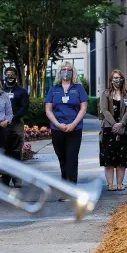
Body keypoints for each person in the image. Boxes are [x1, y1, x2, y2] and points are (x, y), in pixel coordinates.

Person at [45, 61, 88, 201]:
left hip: (75, 129)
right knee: (62, 158)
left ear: (73, 72)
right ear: (59, 72)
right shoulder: (53, 89)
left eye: (68, 69)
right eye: (63, 69)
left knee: (72, 158)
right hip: (57, 129)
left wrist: (73, 124)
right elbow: (48, 110)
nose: (66, 71)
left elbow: (83, 108)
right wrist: (58, 124)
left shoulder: (79, 88)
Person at [99, 70, 127, 191]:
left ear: (123, 79)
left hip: (124, 130)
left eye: (120, 78)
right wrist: (115, 124)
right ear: (111, 79)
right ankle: (110, 184)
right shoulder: (105, 94)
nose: (117, 80)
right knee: (108, 160)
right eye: (115, 78)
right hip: (108, 129)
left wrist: (122, 123)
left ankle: (120, 184)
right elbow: (104, 110)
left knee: (121, 160)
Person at [0, 67, 29, 188]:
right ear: (4, 76)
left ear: (16, 76)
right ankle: (4, 178)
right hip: (3, 124)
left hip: (16, 124)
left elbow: (24, 108)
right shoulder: (0, 91)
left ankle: (17, 179)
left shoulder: (21, 91)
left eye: (12, 74)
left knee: (16, 152)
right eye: (7, 74)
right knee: (5, 151)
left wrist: (12, 118)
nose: (9, 77)